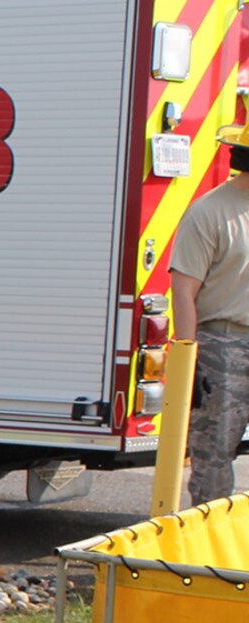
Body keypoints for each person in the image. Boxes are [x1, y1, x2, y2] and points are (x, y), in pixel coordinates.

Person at [169, 124, 249, 505]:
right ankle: (205, 551)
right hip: (223, 345)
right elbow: (184, 291)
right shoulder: (209, 213)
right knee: (215, 454)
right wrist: (190, 360)